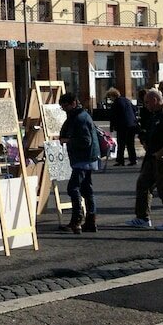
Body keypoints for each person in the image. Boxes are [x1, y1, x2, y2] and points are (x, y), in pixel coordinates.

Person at [58, 93, 101, 234]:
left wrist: (68, 141)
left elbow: (85, 141)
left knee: (73, 188)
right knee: (87, 189)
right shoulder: (80, 116)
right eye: (62, 106)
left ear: (74, 103)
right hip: (87, 158)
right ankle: (90, 221)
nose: (64, 109)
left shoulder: (80, 118)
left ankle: (76, 221)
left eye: (66, 106)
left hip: (83, 158)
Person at [125, 88, 163, 229]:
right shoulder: (154, 115)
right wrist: (144, 138)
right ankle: (142, 218)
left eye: (147, 102)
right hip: (151, 157)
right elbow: (148, 131)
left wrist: (161, 152)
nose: (146, 106)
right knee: (143, 185)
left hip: (161, 157)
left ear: (155, 100)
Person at [106, 88, 138, 166]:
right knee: (130, 143)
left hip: (122, 125)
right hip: (132, 124)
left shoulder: (116, 103)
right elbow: (134, 109)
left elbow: (113, 116)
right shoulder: (127, 100)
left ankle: (120, 160)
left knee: (121, 143)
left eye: (110, 97)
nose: (110, 99)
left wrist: (112, 127)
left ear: (113, 96)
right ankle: (133, 159)